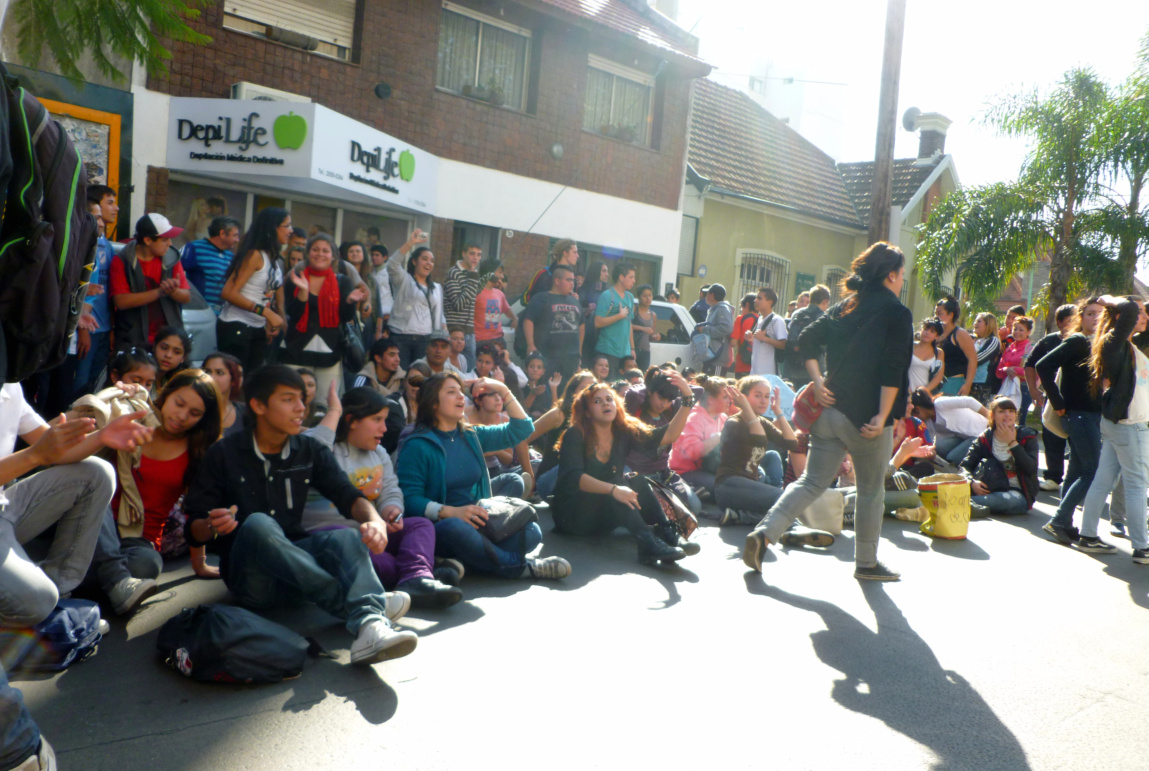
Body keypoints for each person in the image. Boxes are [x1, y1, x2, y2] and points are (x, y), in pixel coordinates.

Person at [183, 365, 418, 664]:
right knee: (257, 524)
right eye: (288, 399)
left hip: (297, 571)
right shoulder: (224, 454)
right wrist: (212, 525)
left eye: (302, 399)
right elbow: (194, 528)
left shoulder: (309, 449)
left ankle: (370, 627)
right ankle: (360, 608)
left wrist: (373, 520)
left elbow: (347, 494)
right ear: (258, 405)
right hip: (252, 582)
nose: (301, 408)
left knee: (347, 536)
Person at [743, 242, 913, 581]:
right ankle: (866, 563)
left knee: (811, 481)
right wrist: (883, 415)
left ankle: (765, 532)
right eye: (902, 274)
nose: (902, 280)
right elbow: (893, 368)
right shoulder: (897, 312)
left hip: (828, 411)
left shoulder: (844, 307)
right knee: (870, 491)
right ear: (891, 275)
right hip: (865, 416)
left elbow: (803, 339)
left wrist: (818, 380)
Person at [0, 380, 152, 629]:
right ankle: (38, 609)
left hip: (4, 507)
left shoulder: (10, 386)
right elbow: (41, 452)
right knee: (37, 602)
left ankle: (57, 597)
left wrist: (103, 435)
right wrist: (35, 455)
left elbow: (55, 451)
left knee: (98, 472)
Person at [396, 372, 570, 580]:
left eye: (461, 391)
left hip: (478, 519)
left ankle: (464, 561)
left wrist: (502, 389)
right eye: (452, 392)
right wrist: (452, 512)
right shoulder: (417, 444)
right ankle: (523, 567)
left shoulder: (471, 435)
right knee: (456, 529)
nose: (461, 396)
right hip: (442, 526)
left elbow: (523, 429)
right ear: (433, 404)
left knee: (531, 532)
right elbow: (410, 499)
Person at [304, 387, 462, 609]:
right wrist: (333, 411)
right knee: (384, 562)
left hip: (375, 531)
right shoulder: (324, 449)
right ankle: (421, 575)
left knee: (420, 525)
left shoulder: (378, 453)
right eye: (377, 419)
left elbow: (390, 490)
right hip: (335, 539)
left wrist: (392, 510)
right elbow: (309, 447)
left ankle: (417, 577)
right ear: (352, 420)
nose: (384, 428)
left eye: (385, 420)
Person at [84, 370, 224, 613]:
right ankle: (115, 581)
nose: (181, 416)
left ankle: (72, 576)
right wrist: (119, 394)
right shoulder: (132, 417)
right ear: (166, 394)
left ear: (204, 419)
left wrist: (199, 564)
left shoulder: (198, 452)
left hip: (138, 541)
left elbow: (197, 509)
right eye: (179, 404)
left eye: (194, 413)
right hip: (93, 524)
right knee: (93, 477)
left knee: (147, 566)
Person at [552, 379, 698, 565]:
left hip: (602, 512)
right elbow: (574, 478)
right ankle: (647, 542)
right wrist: (614, 490)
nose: (605, 403)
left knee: (636, 479)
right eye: (597, 401)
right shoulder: (575, 434)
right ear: (587, 413)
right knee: (619, 484)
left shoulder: (623, 430)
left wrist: (687, 400)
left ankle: (667, 533)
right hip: (572, 517)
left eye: (609, 399)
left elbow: (668, 436)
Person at [1072, 296, 1149, 561]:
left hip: (1120, 425)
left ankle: (1088, 536)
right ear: (1120, 317)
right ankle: (1142, 547)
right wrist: (1109, 300)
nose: (1144, 317)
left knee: (1104, 480)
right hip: (1130, 426)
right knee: (1137, 485)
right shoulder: (1114, 343)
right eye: (1140, 312)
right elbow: (1126, 309)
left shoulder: (1123, 345)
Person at [1036, 297, 1104, 544]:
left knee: (1076, 470)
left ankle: (1064, 523)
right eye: (1090, 314)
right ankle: (1058, 520)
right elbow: (1042, 366)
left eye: (1100, 314)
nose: (1095, 318)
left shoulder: (1101, 343)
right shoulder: (1077, 341)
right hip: (1078, 414)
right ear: (1081, 317)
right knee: (1091, 470)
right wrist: (1058, 402)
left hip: (1091, 415)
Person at [281, 234, 367, 398]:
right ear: (308, 253)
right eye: (315, 249)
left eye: (325, 251)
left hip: (329, 352)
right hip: (295, 350)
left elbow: (344, 318)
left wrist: (349, 302)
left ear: (333, 256)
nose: (320, 254)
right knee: (292, 398)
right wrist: (303, 292)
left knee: (325, 405)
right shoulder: (295, 278)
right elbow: (293, 315)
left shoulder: (343, 282)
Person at [714, 377, 800, 526]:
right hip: (729, 487)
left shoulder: (761, 421)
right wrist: (746, 409)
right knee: (784, 498)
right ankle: (794, 527)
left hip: (750, 486)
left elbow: (792, 444)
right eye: (758, 395)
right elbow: (760, 440)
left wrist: (778, 411)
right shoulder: (734, 423)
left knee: (787, 498)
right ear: (743, 397)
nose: (764, 401)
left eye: (767, 396)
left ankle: (742, 516)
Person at [217, 207, 290, 370]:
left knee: (251, 385)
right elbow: (228, 292)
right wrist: (267, 313)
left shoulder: (275, 258)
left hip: (258, 328)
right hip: (237, 326)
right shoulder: (255, 255)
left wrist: (272, 319)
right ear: (273, 228)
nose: (290, 231)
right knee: (234, 384)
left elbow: (270, 292)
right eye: (287, 226)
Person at [622, 367, 701, 513]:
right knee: (660, 509)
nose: (663, 404)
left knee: (694, 507)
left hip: (663, 473)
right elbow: (634, 392)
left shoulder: (671, 412)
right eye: (660, 397)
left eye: (668, 400)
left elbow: (698, 391)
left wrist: (681, 383)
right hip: (637, 474)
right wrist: (655, 379)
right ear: (650, 392)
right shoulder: (636, 409)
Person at [109, 213, 191, 351]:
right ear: (147, 240)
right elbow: (121, 301)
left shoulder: (171, 257)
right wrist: (160, 291)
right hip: (133, 340)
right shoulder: (122, 260)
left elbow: (186, 297)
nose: (170, 244)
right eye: (165, 239)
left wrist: (174, 291)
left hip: (168, 341)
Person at [1024, 304, 1078, 491]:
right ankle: (1054, 477)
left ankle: (1079, 481)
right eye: (1070, 319)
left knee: (1079, 442)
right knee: (1052, 437)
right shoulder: (1049, 341)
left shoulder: (1085, 340)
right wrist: (1033, 389)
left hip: (1079, 400)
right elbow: (1030, 364)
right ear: (1059, 322)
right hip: (1053, 397)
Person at [958, 397, 1040, 515]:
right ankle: (969, 504)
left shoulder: (1027, 436)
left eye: (1011, 411)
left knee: (1004, 500)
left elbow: (1031, 468)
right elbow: (965, 465)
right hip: (988, 488)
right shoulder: (985, 438)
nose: (1007, 415)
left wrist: (1012, 443)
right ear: (992, 415)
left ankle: (961, 503)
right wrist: (971, 482)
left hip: (1017, 494)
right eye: (1002, 411)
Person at [526, 370, 596, 499]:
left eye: (593, 389)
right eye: (584, 388)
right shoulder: (558, 414)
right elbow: (523, 439)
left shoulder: (595, 419)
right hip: (548, 480)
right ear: (572, 392)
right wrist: (530, 478)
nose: (589, 393)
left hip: (576, 479)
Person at [72, 191, 116, 398]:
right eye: (110, 203)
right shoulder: (81, 246)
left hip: (103, 328)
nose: (115, 208)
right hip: (85, 328)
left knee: (95, 385)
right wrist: (82, 328)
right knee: (77, 385)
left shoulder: (108, 245)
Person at [387, 229, 446, 369]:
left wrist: (444, 332)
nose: (428, 263)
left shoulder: (436, 287)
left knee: (421, 378)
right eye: (424, 259)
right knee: (400, 377)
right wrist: (410, 243)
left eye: (432, 261)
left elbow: (439, 314)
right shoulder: (404, 280)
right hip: (401, 337)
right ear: (414, 261)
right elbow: (392, 265)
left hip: (425, 339)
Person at [668, 374, 731, 504]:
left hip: (709, 470)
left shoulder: (723, 418)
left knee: (750, 479)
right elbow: (692, 452)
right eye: (725, 397)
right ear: (711, 400)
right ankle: (690, 491)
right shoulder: (694, 417)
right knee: (727, 490)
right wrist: (717, 438)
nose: (729, 400)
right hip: (685, 471)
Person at [522, 264, 584, 387]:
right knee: (546, 391)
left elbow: (581, 325)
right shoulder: (541, 298)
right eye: (568, 280)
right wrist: (530, 344)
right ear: (557, 281)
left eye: (573, 280)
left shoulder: (575, 301)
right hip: (548, 357)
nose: (572, 283)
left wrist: (579, 352)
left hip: (571, 358)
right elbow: (528, 320)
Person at [910, 388, 992, 466]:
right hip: (963, 437)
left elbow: (969, 401)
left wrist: (991, 418)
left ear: (917, 409)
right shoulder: (928, 422)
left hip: (980, 433)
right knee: (939, 448)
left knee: (953, 458)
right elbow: (932, 444)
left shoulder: (939, 403)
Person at [180, 216, 241, 312]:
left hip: (222, 315)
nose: (237, 240)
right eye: (235, 235)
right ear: (222, 234)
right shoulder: (194, 248)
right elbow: (175, 272)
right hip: (199, 312)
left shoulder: (230, 256)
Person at [782, 284, 830, 388]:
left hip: (792, 367)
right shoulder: (824, 317)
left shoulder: (797, 313)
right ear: (825, 301)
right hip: (814, 369)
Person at [594, 262, 636, 377]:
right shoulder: (607, 295)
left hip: (625, 353)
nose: (634, 281)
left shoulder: (630, 297)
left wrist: (632, 348)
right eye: (631, 277)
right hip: (608, 351)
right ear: (621, 277)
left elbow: (629, 324)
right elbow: (597, 322)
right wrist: (619, 316)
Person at [444, 244, 483, 367]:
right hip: (454, 329)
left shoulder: (472, 272)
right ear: (463, 254)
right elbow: (459, 304)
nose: (475, 258)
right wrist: (473, 279)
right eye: (472, 253)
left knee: (470, 368)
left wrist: (485, 280)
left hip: (469, 330)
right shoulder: (453, 273)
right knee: (452, 369)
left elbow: (471, 295)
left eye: (479, 255)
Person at [935, 295, 977, 396]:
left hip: (953, 382)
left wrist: (967, 384)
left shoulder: (960, 333)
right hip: (935, 382)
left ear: (951, 315)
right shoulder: (935, 333)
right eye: (935, 313)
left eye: (939, 314)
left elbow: (973, 359)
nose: (936, 317)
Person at [996, 315, 1035, 423]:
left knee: (1018, 422)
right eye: (1015, 329)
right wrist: (1006, 370)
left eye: (1021, 330)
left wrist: (1014, 370)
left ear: (1028, 332)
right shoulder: (1010, 347)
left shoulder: (1031, 348)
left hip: (1023, 389)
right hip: (1006, 387)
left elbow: (1033, 373)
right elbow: (999, 370)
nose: (1017, 332)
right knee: (1003, 422)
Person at [473, 257, 515, 348]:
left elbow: (507, 309)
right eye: (500, 273)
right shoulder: (476, 292)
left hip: (498, 339)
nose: (502, 277)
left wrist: (515, 318)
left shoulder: (499, 293)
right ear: (490, 273)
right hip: (480, 340)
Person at [203, 352, 247, 437]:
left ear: (233, 380)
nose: (211, 377)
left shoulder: (245, 412)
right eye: (207, 372)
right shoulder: (192, 407)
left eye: (220, 373)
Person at [522, 238, 579, 305]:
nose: (577, 256)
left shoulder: (573, 279)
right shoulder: (543, 273)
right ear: (565, 253)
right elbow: (525, 299)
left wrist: (573, 301)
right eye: (575, 252)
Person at [747, 287, 787, 376]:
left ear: (769, 303)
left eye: (759, 298)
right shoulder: (760, 319)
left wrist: (764, 338)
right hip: (755, 371)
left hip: (769, 373)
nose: (755, 301)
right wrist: (751, 339)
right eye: (756, 298)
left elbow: (784, 344)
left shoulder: (777, 320)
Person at [696, 284, 733, 374]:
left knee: (715, 387)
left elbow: (726, 328)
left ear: (712, 295)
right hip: (712, 356)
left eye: (707, 293)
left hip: (718, 358)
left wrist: (704, 330)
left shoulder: (722, 309)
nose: (705, 296)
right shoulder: (715, 309)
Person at [578, 260, 610, 366]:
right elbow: (576, 309)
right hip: (587, 336)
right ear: (596, 272)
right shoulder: (584, 289)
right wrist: (586, 310)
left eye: (607, 271)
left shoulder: (608, 292)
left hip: (603, 337)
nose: (607, 274)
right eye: (604, 271)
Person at [969, 312, 1003, 404]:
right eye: (975, 321)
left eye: (979, 321)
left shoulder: (993, 340)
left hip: (981, 383)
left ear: (988, 325)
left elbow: (979, 359)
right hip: (968, 381)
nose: (975, 323)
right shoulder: (974, 339)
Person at [908, 318, 945, 394]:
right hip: (906, 392)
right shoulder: (910, 346)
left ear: (937, 336)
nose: (927, 333)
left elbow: (939, 375)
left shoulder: (939, 353)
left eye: (932, 331)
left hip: (925, 395)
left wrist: (924, 390)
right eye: (925, 329)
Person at [152, 326, 191, 395]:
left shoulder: (179, 383)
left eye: (176, 352)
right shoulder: (139, 372)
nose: (168, 355)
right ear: (154, 347)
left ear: (183, 358)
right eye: (164, 348)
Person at [521, 353, 560, 420]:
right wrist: (533, 393)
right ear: (526, 369)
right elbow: (521, 410)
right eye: (531, 366)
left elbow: (554, 410)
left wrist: (554, 388)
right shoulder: (522, 386)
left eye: (539, 367)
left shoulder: (545, 388)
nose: (535, 370)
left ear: (543, 371)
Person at [630, 284, 659, 373]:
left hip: (645, 351)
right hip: (633, 348)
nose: (648, 298)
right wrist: (643, 328)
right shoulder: (634, 309)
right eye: (644, 295)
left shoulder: (653, 315)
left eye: (650, 295)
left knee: (643, 375)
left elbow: (649, 335)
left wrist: (655, 337)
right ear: (639, 297)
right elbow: (627, 325)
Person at [731, 294, 758, 379]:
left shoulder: (741, 319)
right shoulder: (761, 320)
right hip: (757, 366)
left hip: (742, 365)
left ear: (746, 304)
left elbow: (733, 342)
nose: (741, 310)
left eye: (741, 306)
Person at [369, 244, 393, 340]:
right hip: (374, 316)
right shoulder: (372, 274)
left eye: (377, 255)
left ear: (385, 257)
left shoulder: (390, 273)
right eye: (373, 255)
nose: (374, 257)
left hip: (386, 317)